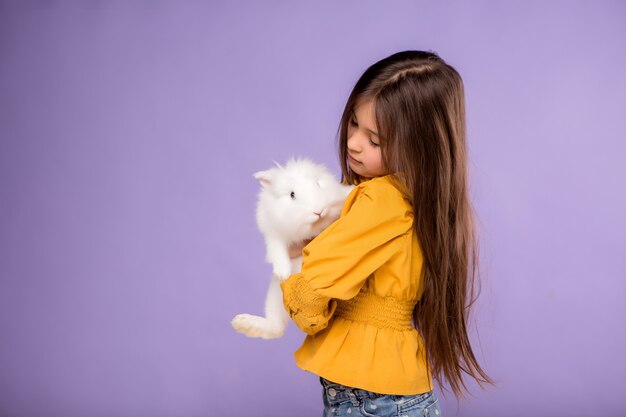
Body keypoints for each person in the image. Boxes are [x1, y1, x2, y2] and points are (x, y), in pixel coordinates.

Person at [281, 50, 492, 417]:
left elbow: (310, 300)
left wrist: (295, 260)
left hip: (375, 401)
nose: (353, 143)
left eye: (375, 140)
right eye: (352, 123)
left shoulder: (381, 198)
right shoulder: (416, 199)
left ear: (419, 148)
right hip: (393, 396)